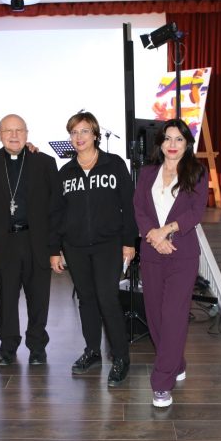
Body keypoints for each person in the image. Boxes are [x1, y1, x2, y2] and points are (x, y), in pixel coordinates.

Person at [49, 111, 137, 387]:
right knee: (86, 300)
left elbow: (129, 205)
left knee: (107, 298)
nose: (79, 137)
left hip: (108, 244)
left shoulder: (114, 165)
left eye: (84, 131)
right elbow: (56, 214)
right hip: (74, 246)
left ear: (96, 135)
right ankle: (92, 351)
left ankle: (121, 357)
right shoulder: (65, 173)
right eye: (74, 132)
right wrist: (55, 249)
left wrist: (129, 242)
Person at [132, 118, 208, 408]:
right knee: (155, 316)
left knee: (174, 316)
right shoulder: (147, 173)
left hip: (182, 254)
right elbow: (139, 208)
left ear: (187, 144)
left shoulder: (197, 172)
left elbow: (196, 212)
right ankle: (176, 362)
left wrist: (167, 230)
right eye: (167, 138)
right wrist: (154, 236)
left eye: (178, 139)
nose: (172, 144)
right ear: (160, 143)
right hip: (152, 252)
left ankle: (161, 383)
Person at [0, 114, 58, 366]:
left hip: (37, 240)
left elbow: (55, 208)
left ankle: (37, 346)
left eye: (19, 130)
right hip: (3, 242)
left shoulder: (44, 162)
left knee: (38, 297)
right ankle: (7, 346)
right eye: (8, 131)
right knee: (8, 298)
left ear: (27, 134)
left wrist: (54, 247)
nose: (14, 135)